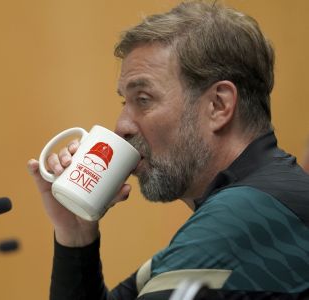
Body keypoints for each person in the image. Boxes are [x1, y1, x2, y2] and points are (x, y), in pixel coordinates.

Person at [27, 1, 309, 299]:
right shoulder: (253, 204)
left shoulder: (241, 218)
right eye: (125, 102)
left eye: (144, 99)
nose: (121, 126)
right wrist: (76, 235)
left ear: (219, 105)